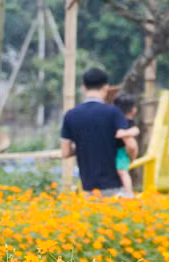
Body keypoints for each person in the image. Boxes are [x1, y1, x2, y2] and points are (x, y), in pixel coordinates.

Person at [60, 68, 139, 196]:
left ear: (83, 87)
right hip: (116, 189)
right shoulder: (113, 113)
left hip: (89, 189)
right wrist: (130, 158)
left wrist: (83, 145)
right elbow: (131, 145)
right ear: (106, 87)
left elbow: (65, 152)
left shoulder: (70, 116)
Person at [113, 94, 141, 197]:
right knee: (120, 172)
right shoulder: (118, 121)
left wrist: (124, 133)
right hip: (115, 150)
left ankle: (129, 193)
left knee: (122, 171)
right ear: (133, 110)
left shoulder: (128, 122)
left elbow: (136, 130)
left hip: (121, 151)